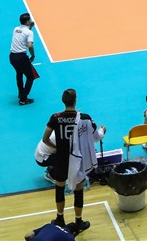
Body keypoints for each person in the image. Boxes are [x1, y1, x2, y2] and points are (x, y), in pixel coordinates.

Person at [43, 89, 104, 236]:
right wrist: (103, 130)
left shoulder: (55, 117)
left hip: (61, 158)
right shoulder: (85, 118)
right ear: (75, 101)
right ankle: (78, 221)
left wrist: (57, 148)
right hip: (77, 159)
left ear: (63, 101)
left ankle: (60, 219)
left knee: (59, 188)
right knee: (78, 190)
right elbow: (96, 137)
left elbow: (45, 139)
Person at [9, 12, 38, 105]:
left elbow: (24, 34)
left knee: (19, 73)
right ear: (27, 21)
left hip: (12, 57)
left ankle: (21, 94)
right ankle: (23, 98)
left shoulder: (16, 29)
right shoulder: (29, 32)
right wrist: (33, 55)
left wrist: (30, 27)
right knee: (30, 77)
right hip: (21, 57)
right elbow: (30, 45)